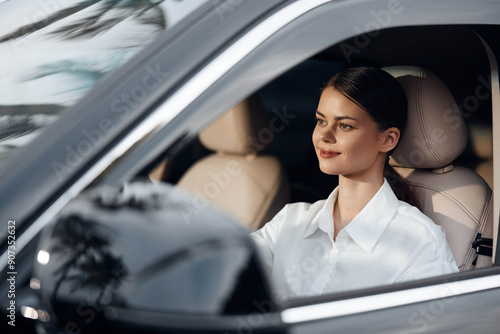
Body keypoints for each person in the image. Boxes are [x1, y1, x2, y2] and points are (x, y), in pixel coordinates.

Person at [251, 67, 458, 301]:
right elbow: (223, 270)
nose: (324, 136)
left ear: (387, 139)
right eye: (321, 121)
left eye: (344, 125)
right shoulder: (290, 221)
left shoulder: (419, 242)